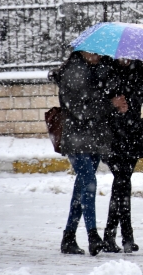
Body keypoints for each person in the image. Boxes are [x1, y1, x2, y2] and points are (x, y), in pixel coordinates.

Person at [51, 51, 128, 255]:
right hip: (76, 139)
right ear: (81, 51)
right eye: (91, 52)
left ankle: (68, 238)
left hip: (94, 139)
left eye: (98, 52)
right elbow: (80, 111)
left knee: (81, 188)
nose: (96, 55)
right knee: (89, 181)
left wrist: (116, 103)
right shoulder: (71, 73)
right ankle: (93, 235)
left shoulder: (101, 72)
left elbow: (100, 107)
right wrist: (109, 104)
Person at [102, 59, 143, 254]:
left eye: (128, 56)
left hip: (131, 142)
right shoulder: (105, 75)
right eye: (120, 56)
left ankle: (112, 236)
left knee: (121, 184)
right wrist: (112, 106)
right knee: (122, 183)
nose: (124, 60)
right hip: (110, 140)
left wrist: (138, 128)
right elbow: (94, 107)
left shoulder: (141, 79)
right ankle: (124, 236)